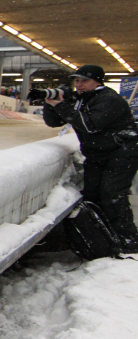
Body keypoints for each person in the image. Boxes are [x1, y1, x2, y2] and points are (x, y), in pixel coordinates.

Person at [42, 65, 138, 255]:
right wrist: (50, 103)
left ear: (98, 82)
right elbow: (54, 122)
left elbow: (89, 125)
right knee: (92, 194)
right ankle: (103, 238)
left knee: (112, 194)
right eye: (77, 80)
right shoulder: (81, 98)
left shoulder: (109, 99)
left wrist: (62, 105)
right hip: (98, 153)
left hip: (123, 151)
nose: (79, 84)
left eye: (84, 80)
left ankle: (129, 241)